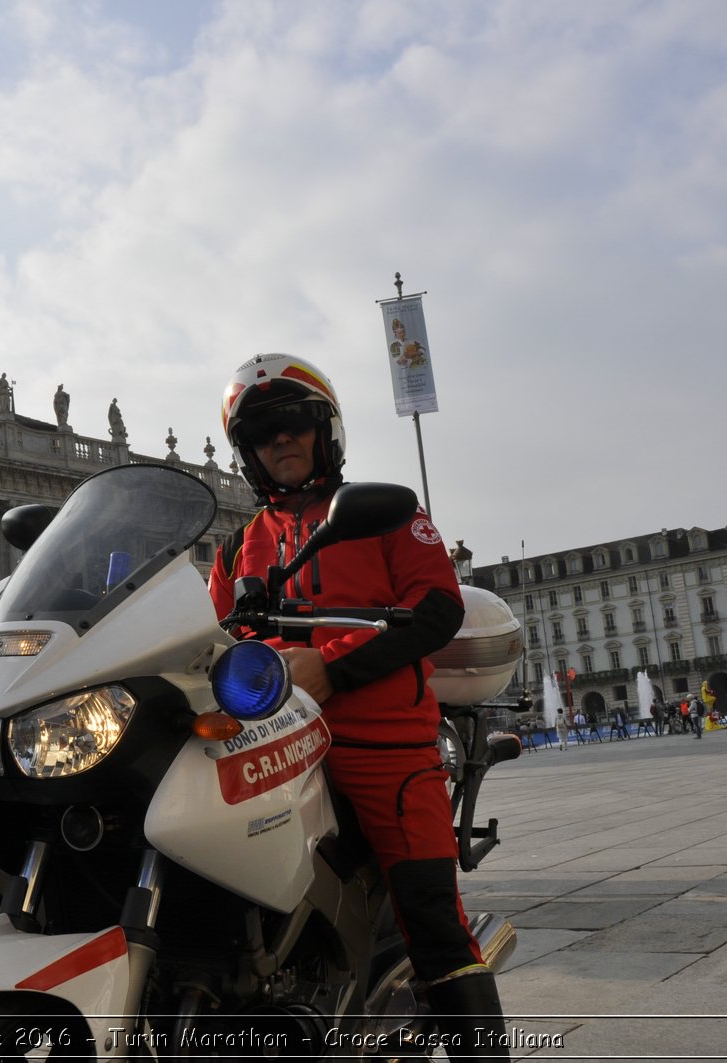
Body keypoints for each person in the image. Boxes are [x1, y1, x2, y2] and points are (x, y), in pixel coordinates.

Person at [208, 354, 508, 1056]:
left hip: (381, 748)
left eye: (291, 425)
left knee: (435, 919)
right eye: (261, 434)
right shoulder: (235, 549)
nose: (278, 442)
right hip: (267, 751)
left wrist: (332, 668)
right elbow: (213, 640)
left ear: (323, 431)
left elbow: (437, 611)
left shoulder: (391, 513)